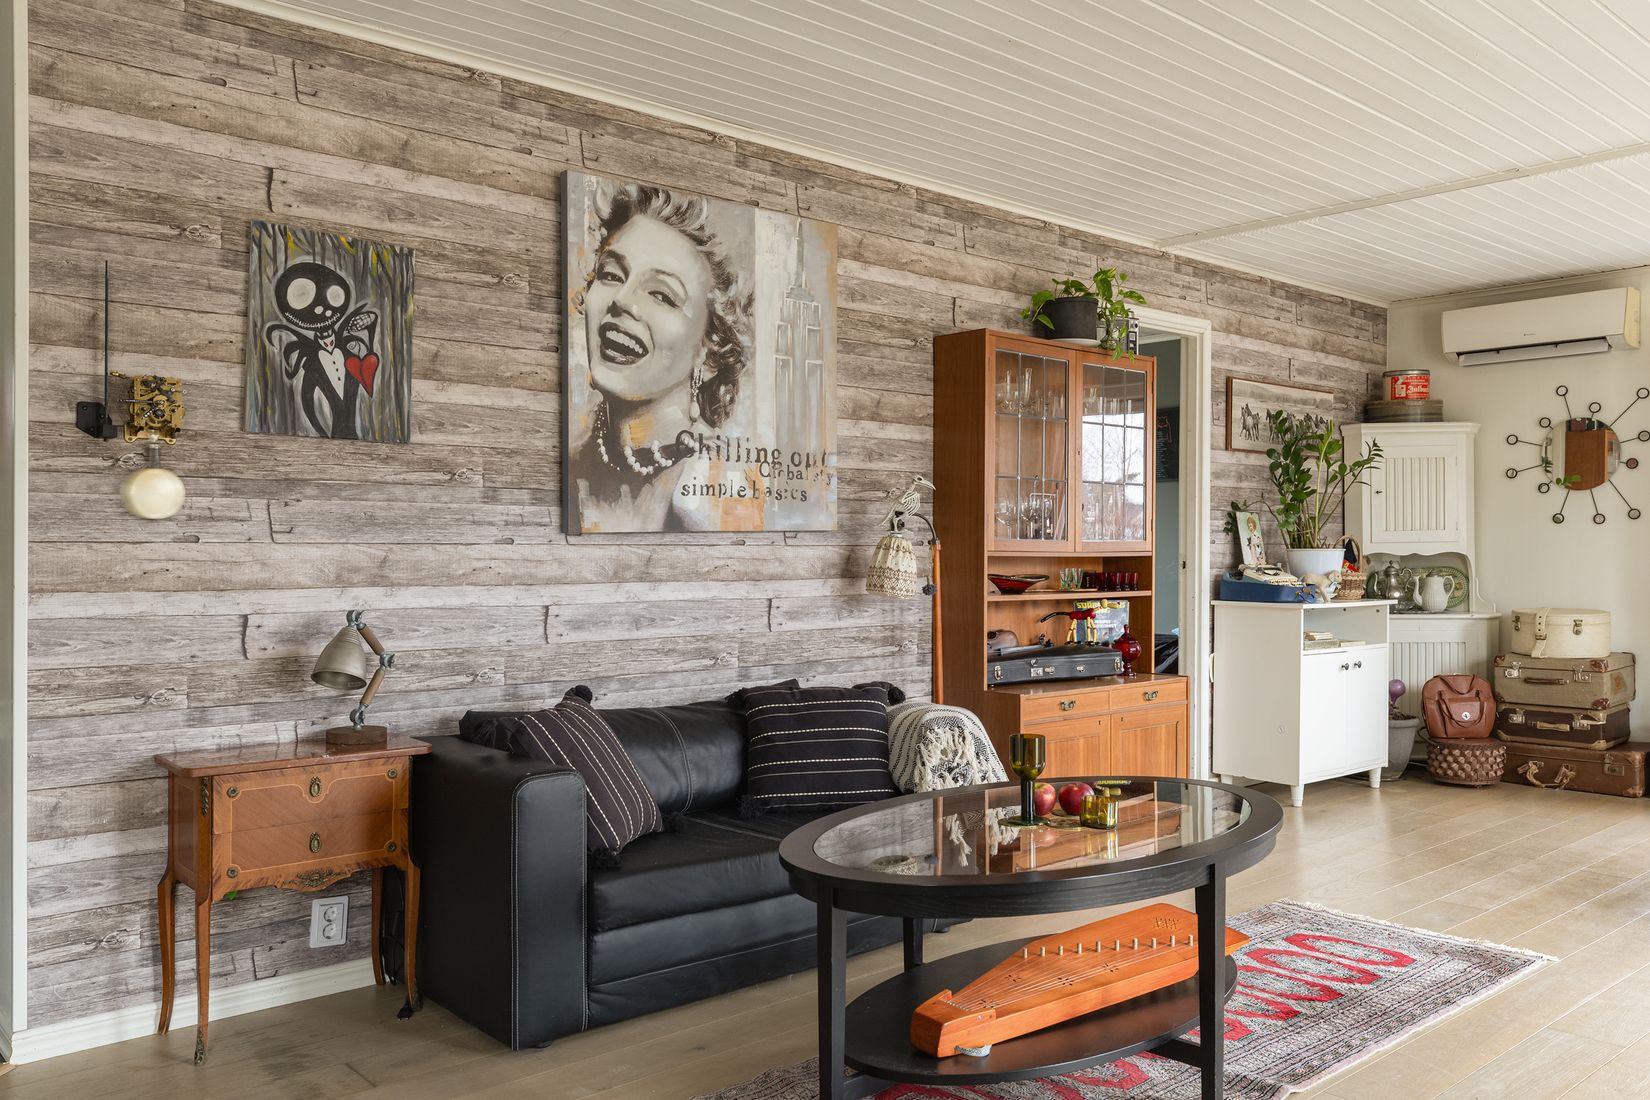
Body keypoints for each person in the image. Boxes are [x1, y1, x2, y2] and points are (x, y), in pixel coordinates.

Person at [569, 182, 753, 532]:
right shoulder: (567, 469)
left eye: (662, 295)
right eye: (611, 275)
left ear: (709, 350)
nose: (621, 300)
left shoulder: (726, 491)